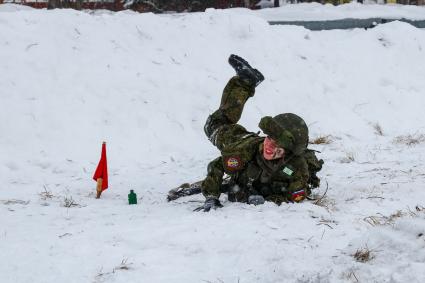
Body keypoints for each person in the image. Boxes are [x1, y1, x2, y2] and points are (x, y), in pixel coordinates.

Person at [169, 54, 323, 212]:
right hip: (243, 141)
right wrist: (211, 197)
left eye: (278, 145)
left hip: (249, 175)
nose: (270, 146)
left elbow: (295, 197)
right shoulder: (242, 151)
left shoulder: (295, 168)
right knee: (214, 125)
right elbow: (216, 165)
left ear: (287, 153)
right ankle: (245, 81)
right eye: (269, 138)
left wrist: (267, 200)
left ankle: (247, 80)